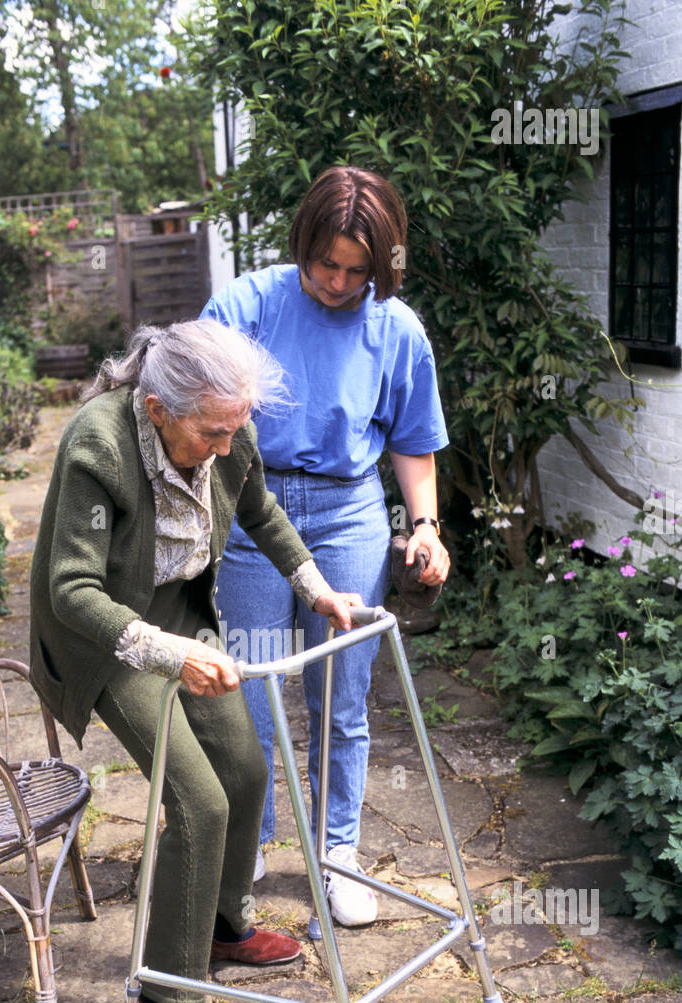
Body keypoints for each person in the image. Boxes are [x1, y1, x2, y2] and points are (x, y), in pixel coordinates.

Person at [29, 319, 359, 1003]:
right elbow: (69, 590)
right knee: (197, 799)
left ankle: (218, 924)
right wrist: (171, 657)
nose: (225, 446)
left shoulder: (226, 423)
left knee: (244, 772)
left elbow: (258, 508)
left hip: (180, 614)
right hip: (107, 638)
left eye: (233, 428)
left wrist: (315, 587)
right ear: (156, 411)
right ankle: (165, 990)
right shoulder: (99, 445)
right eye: (210, 432)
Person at [200, 165, 451, 926]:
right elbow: (189, 414)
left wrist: (426, 528)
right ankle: (245, 847)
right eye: (325, 263)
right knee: (249, 693)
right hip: (250, 510)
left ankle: (336, 852)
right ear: (302, 241)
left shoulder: (395, 328)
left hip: (348, 516)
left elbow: (412, 442)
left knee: (341, 699)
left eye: (358, 270)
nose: (339, 283)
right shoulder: (244, 306)